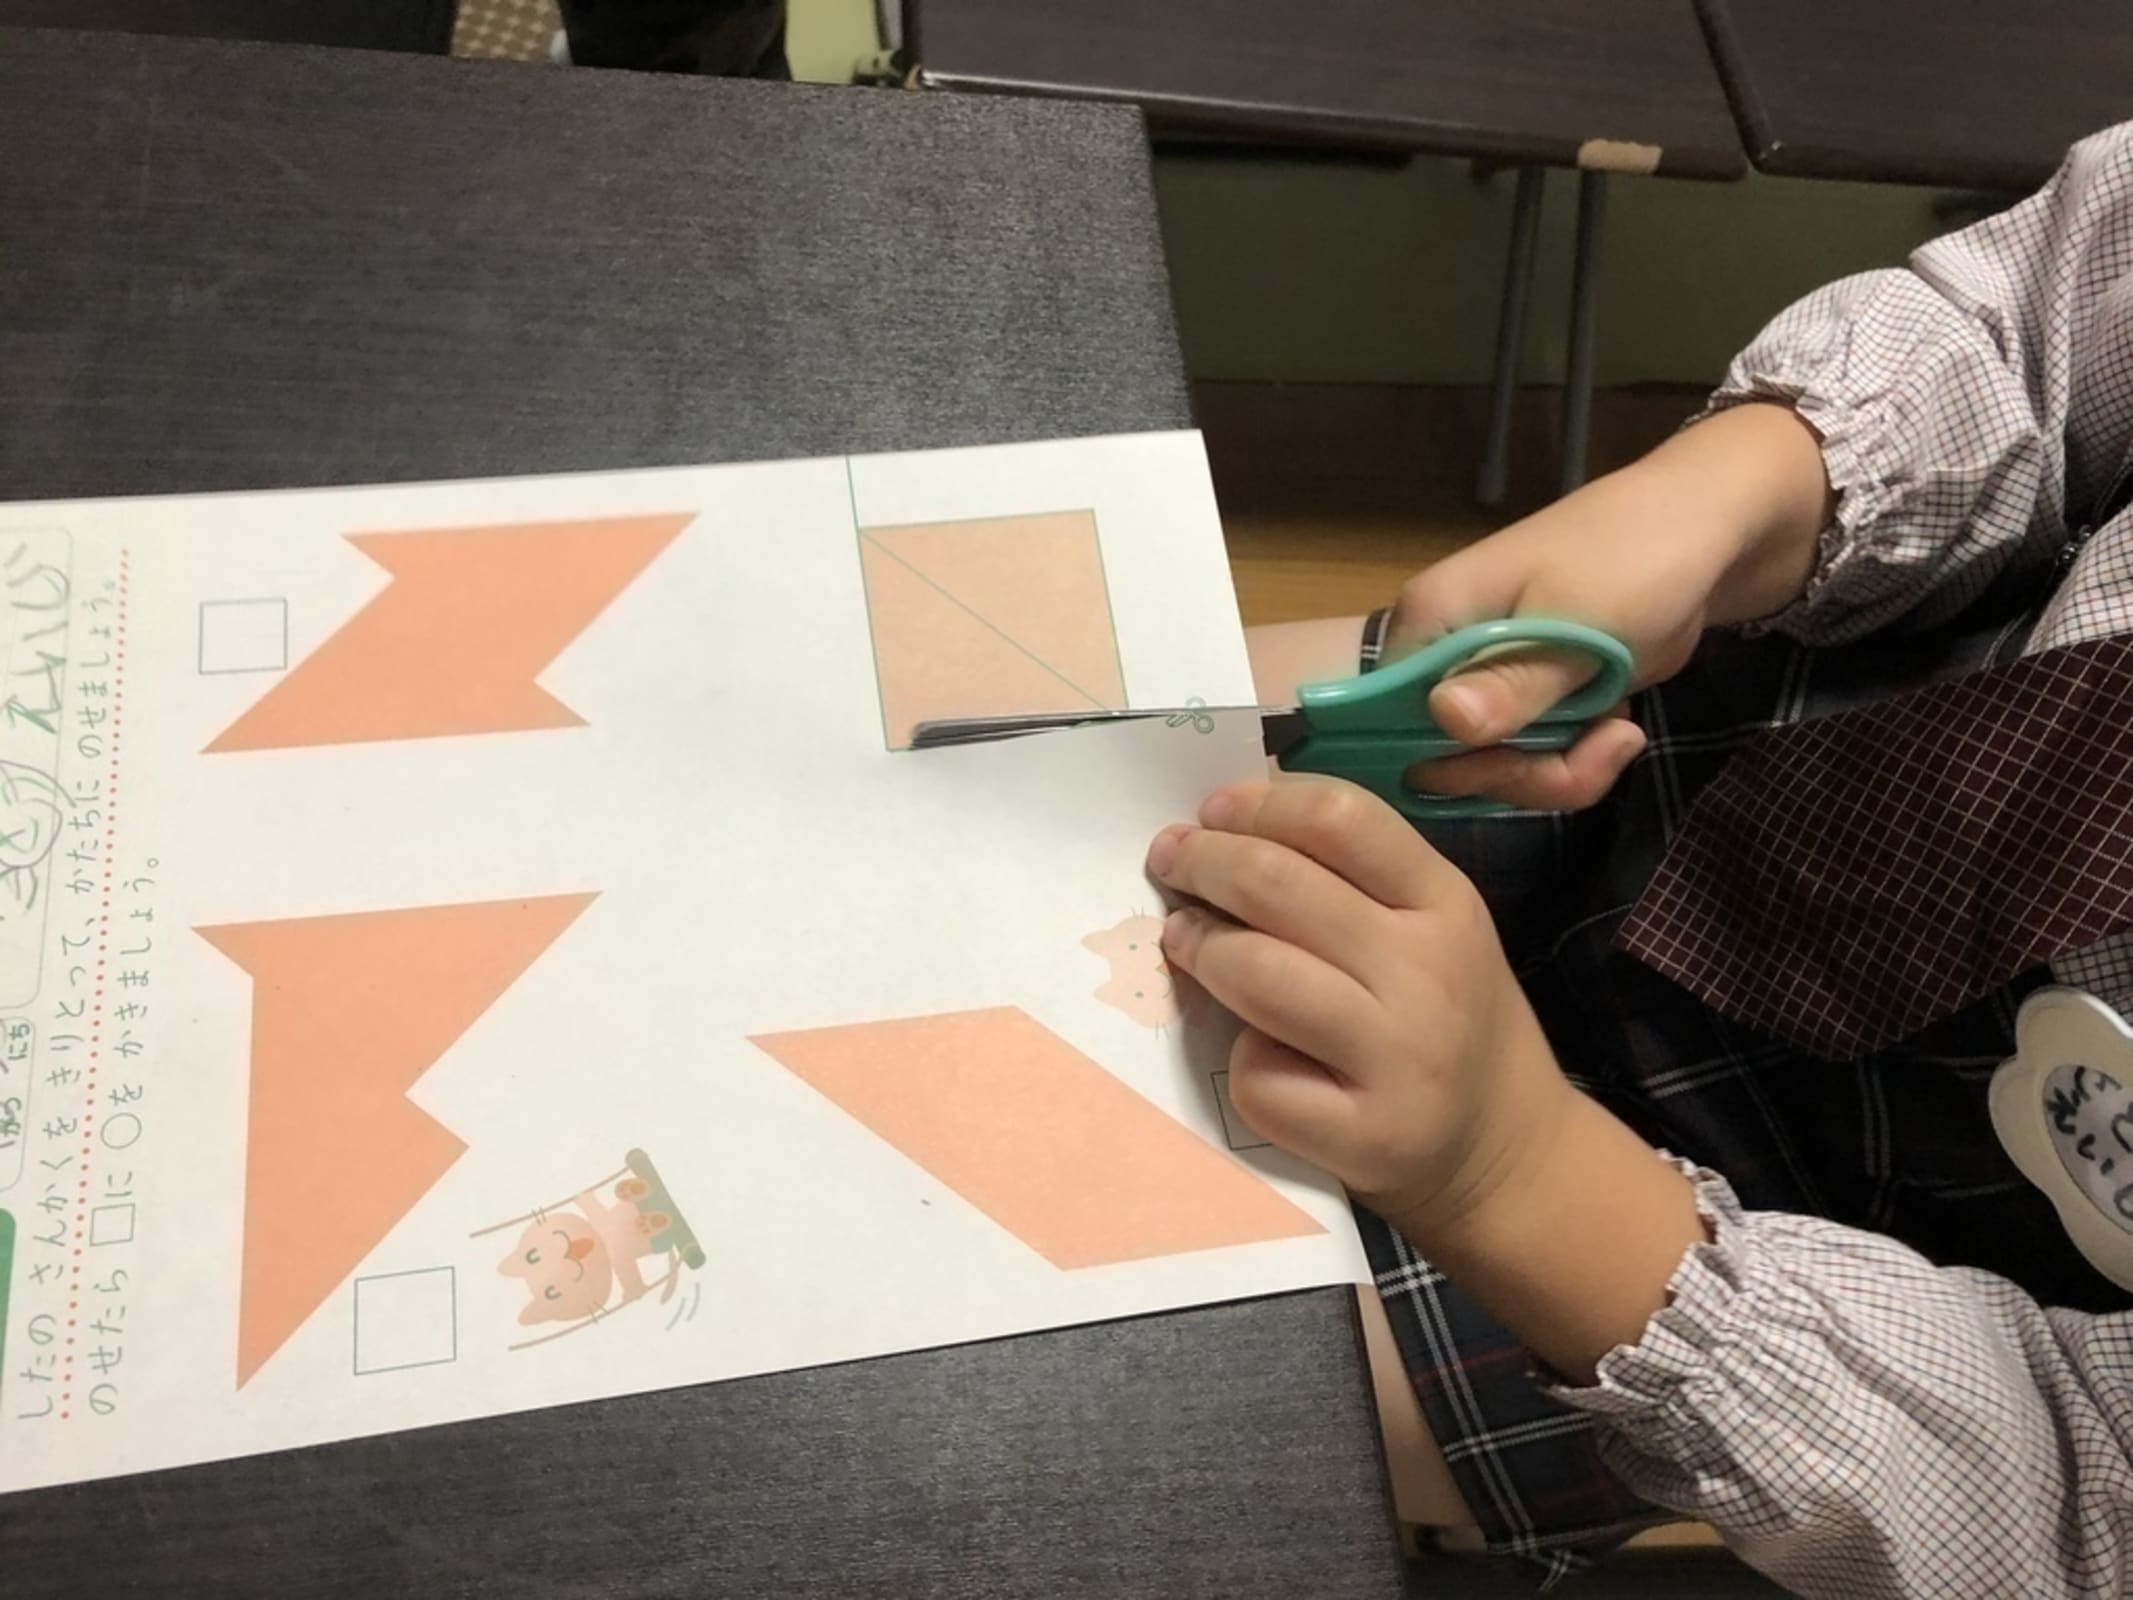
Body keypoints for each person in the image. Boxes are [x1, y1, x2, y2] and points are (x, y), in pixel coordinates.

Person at [1160, 123, 2133, 1595]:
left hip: (1762, 1290)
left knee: (1084, 1372)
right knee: (1062, 772)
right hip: (1685, 728)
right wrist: (1741, 483)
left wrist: (1508, 1168)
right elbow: (2053, 323)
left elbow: (2069, 1505)